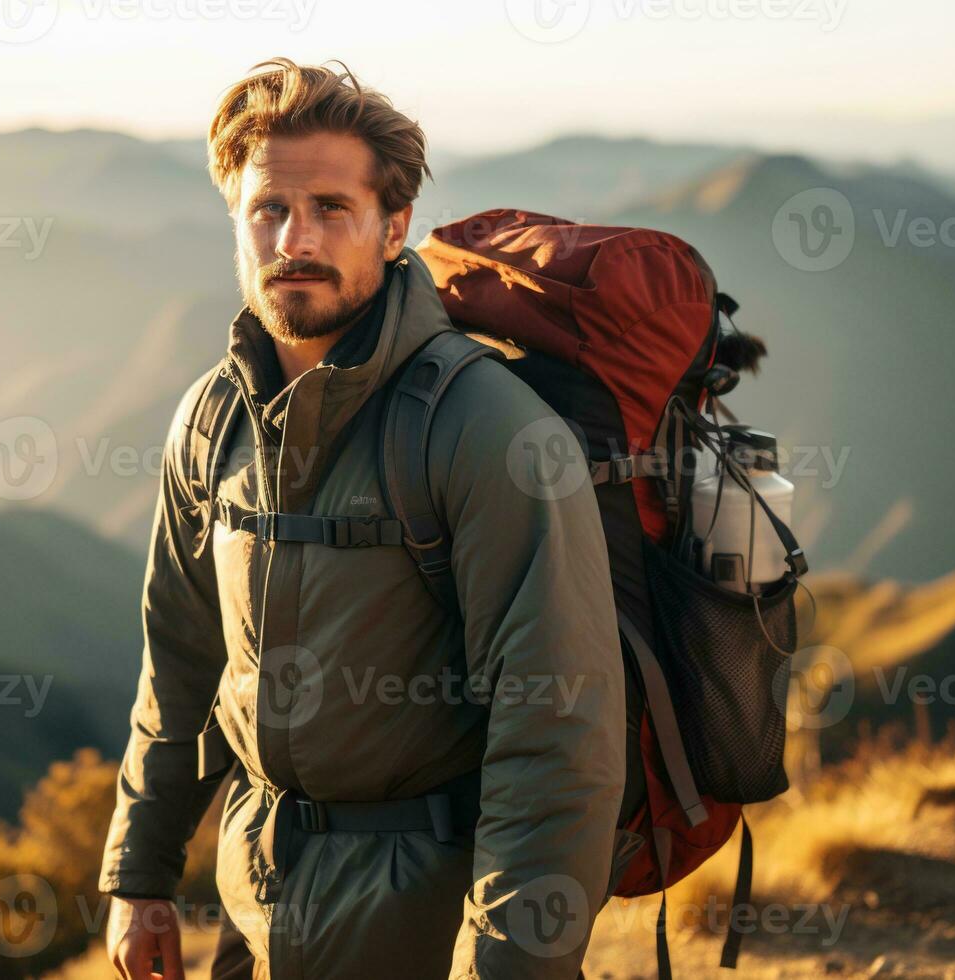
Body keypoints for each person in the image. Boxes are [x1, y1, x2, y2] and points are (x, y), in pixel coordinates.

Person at [100, 57, 625, 980]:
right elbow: (181, 661)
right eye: (267, 210)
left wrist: (510, 963)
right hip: (254, 904)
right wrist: (140, 876)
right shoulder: (213, 417)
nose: (292, 238)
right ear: (235, 219)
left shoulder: (484, 429)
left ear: (394, 229)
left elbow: (556, 731)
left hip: (426, 918)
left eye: (331, 209)